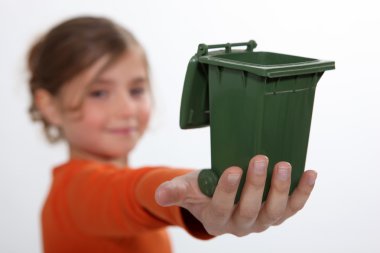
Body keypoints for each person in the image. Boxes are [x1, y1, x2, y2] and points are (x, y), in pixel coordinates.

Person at [27, 16, 317, 253]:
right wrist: (191, 188)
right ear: (49, 106)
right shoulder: (75, 192)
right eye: (99, 92)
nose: (126, 108)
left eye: (136, 90)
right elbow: (132, 191)